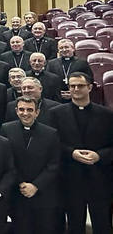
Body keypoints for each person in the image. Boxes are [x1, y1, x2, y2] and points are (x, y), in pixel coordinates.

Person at [49, 72, 113, 234]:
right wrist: (72, 153)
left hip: (100, 180)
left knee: (103, 225)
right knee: (74, 226)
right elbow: (52, 145)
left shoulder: (107, 114)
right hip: (70, 179)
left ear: (90, 87)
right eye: (72, 86)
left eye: (80, 85)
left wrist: (99, 156)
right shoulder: (56, 113)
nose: (76, 89)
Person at [0, 96, 61, 234]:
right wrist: (21, 182)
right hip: (17, 193)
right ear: (16, 111)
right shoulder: (6, 129)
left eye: (29, 110)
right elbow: (5, 161)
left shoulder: (50, 133)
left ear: (37, 112)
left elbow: (54, 164)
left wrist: (36, 186)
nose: (25, 113)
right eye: (21, 109)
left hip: (43, 194)